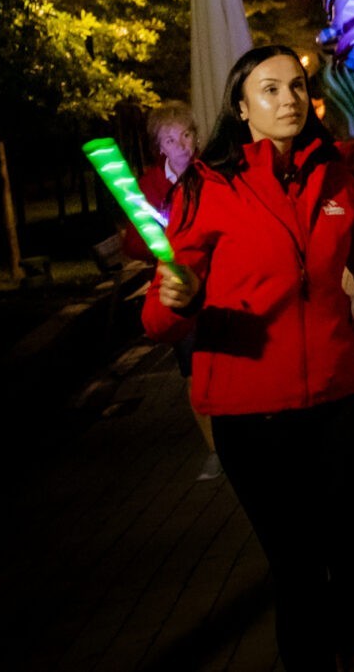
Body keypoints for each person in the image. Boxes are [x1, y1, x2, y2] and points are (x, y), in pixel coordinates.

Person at [145, 45, 354, 672]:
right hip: (251, 415)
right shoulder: (207, 187)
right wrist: (178, 300)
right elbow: (159, 320)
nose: (288, 99)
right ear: (242, 108)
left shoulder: (333, 180)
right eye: (270, 90)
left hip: (335, 401)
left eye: (296, 86)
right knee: (299, 572)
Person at [127, 105, 223, 480]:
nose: (180, 145)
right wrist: (167, 240)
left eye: (185, 135)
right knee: (194, 371)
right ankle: (215, 449)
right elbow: (134, 243)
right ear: (160, 148)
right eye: (170, 139)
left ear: (195, 137)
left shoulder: (214, 174)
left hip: (220, 283)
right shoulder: (150, 186)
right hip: (180, 290)